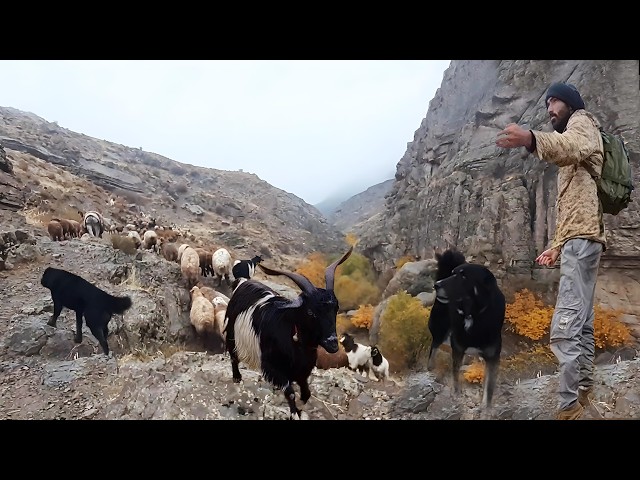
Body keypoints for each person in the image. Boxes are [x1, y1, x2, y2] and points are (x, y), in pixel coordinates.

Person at [495, 82, 606, 420]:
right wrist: (558, 246)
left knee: (566, 321)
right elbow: (576, 203)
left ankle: (568, 406)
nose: (549, 109)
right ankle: (584, 387)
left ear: (571, 103)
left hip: (583, 239)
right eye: (547, 103)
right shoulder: (578, 129)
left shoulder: (582, 124)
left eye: (555, 102)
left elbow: (570, 147)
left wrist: (531, 138)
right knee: (582, 320)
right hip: (582, 238)